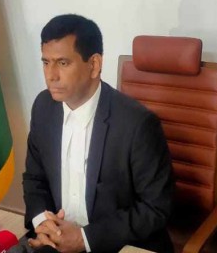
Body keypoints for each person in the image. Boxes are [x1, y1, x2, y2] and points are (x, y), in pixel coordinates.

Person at [23, 14, 174, 253]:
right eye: (46, 62)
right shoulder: (44, 108)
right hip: (57, 241)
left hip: (117, 245)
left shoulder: (137, 124)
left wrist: (84, 238)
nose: (51, 75)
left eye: (63, 63)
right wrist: (43, 222)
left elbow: (155, 208)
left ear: (94, 65)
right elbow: (35, 178)